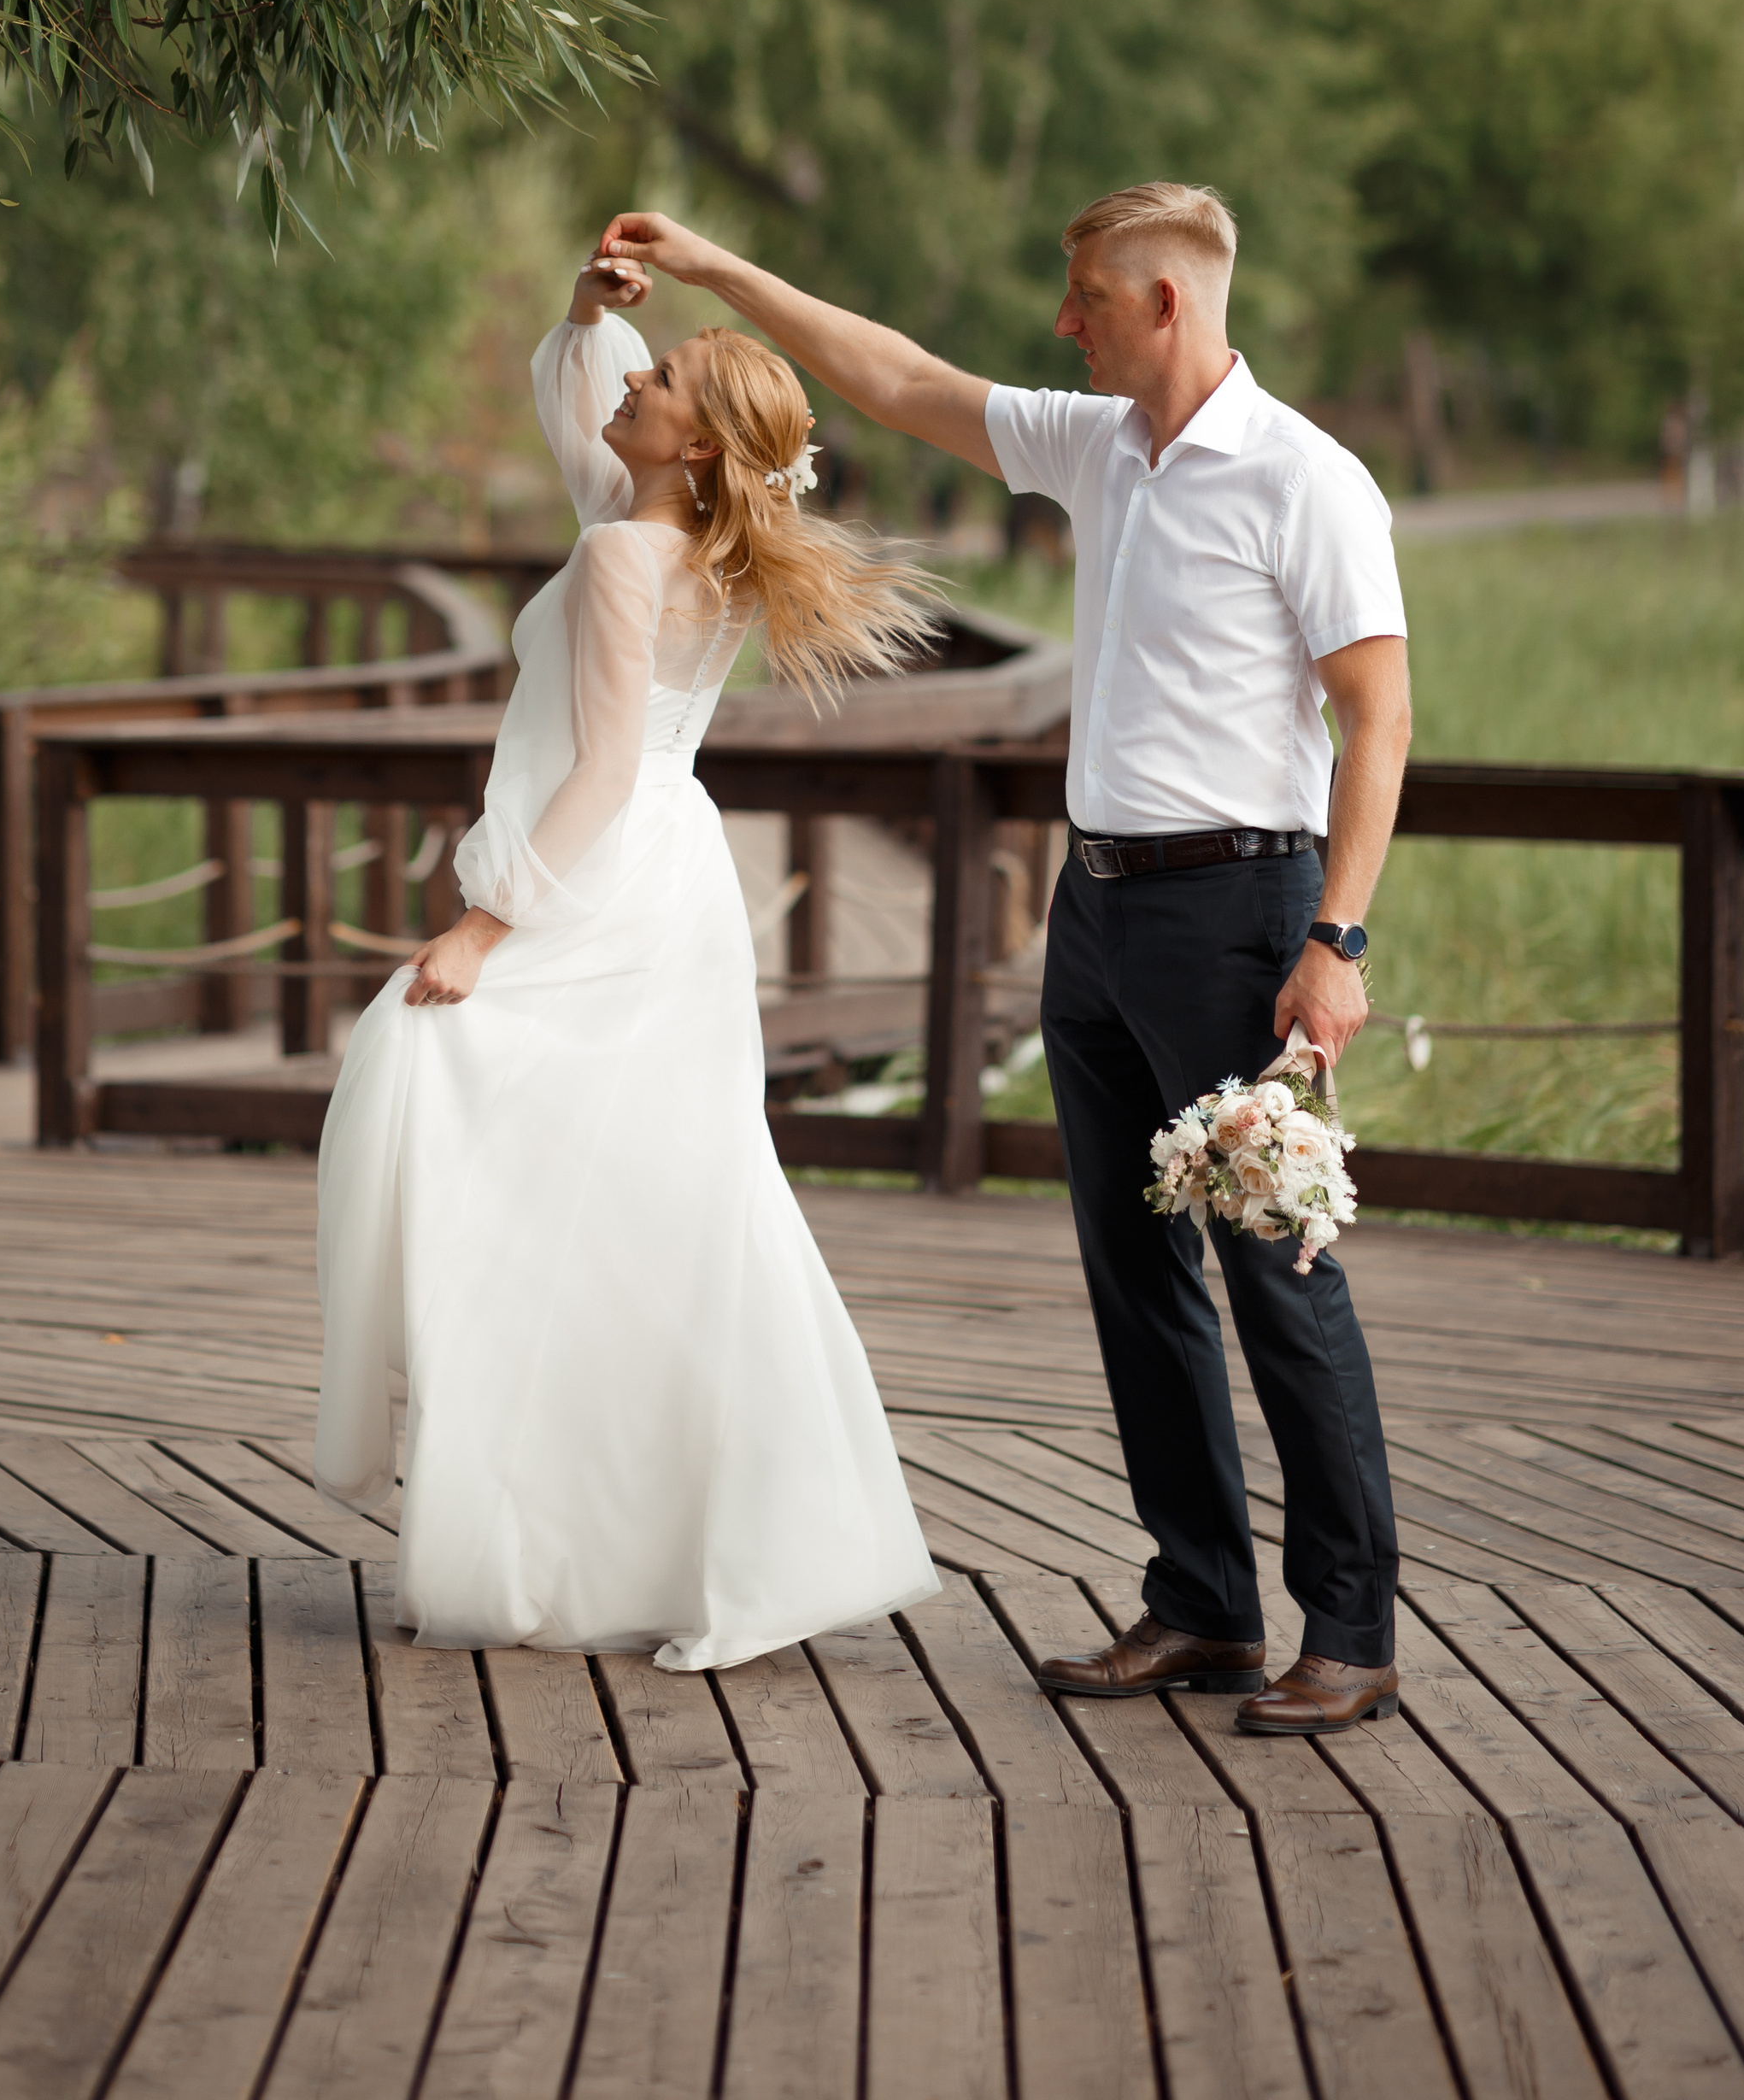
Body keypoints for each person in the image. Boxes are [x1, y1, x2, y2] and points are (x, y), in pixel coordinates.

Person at [596, 182, 1412, 1733]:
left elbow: (1380, 718)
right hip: (1097, 910)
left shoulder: (1308, 480)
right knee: (1132, 1268)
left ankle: (1352, 1631)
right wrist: (704, 264)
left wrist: (1336, 940)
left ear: (1167, 302)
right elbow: (892, 380)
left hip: (1246, 917)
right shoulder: (1096, 444)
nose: (1066, 323)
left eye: (1089, 298)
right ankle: (1201, 1608)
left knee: (1279, 1272)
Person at [312, 254, 941, 1669]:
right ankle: (651, 1534)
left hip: (605, 878)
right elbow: (591, 426)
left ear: (698, 445)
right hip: (678, 881)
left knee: (439, 1083)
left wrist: (484, 923)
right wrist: (596, 321)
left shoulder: (618, 553)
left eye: (656, 386)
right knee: (665, 1197)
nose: (634, 386)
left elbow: (593, 771)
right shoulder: (689, 545)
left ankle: (553, 1530)